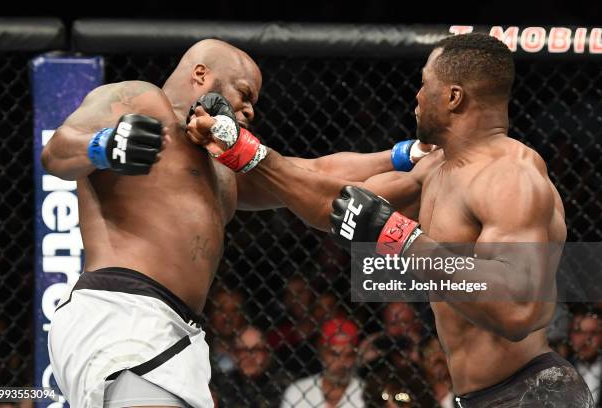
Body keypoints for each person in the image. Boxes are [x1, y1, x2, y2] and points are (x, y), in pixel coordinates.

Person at [190, 33, 593, 407]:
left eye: (424, 83)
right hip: (480, 396)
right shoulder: (435, 170)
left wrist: (400, 237)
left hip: (534, 393)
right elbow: (334, 201)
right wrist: (242, 149)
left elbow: (517, 311)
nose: (417, 96)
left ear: (453, 97)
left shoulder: (510, 176)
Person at [41, 38, 422, 407]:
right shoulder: (142, 99)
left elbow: (315, 170)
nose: (251, 110)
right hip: (122, 311)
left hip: (174, 328)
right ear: (202, 76)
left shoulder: (221, 168)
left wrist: (410, 154)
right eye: (245, 94)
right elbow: (56, 150)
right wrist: (105, 145)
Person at [281, 318, 365, 408]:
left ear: (356, 356)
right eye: (334, 355)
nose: (342, 363)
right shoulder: (298, 391)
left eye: (349, 355)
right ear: (321, 353)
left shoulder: (366, 392)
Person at [213, 326, 290, 407]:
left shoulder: (283, 385)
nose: (250, 356)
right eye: (243, 350)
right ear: (233, 354)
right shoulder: (222, 383)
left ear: (267, 353)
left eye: (256, 349)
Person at [569, 310, 602, 405]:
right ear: (569, 335)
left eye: (593, 333)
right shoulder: (557, 370)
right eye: (578, 332)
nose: (586, 340)